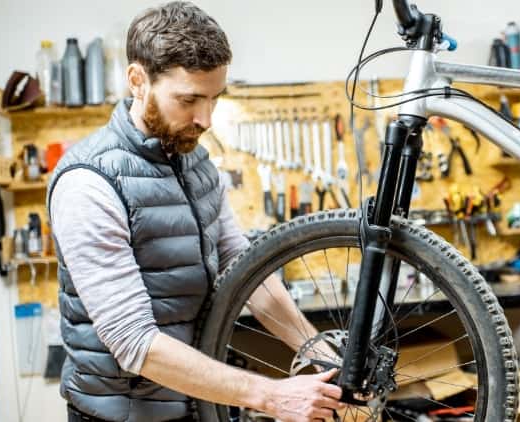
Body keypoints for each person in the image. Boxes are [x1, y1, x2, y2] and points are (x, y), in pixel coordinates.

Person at [47, 2, 343, 421]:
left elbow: (245, 274)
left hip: (199, 406)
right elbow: (134, 343)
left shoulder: (196, 163)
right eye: (188, 99)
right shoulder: (89, 183)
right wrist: (271, 396)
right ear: (137, 80)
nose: (205, 118)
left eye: (215, 98)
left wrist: (322, 353)